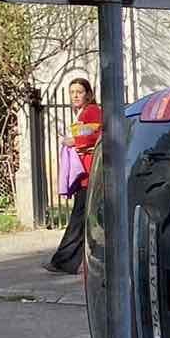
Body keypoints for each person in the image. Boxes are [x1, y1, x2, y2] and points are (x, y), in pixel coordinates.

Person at [44, 78, 101, 274]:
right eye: (72, 92)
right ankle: (67, 261)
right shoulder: (83, 113)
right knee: (82, 219)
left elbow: (93, 134)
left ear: (88, 94)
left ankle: (63, 261)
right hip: (86, 175)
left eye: (79, 91)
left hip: (89, 174)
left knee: (79, 219)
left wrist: (74, 141)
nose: (75, 95)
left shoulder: (92, 111)